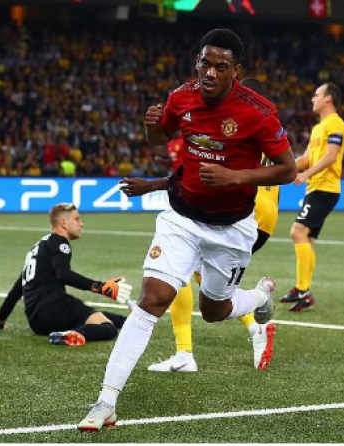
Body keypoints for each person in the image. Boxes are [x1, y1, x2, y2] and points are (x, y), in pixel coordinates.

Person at [77, 29, 296, 432]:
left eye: (220, 67)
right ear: (197, 62)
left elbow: (288, 169)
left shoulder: (258, 111)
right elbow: (161, 139)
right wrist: (152, 126)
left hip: (232, 228)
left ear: (235, 71)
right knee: (152, 300)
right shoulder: (181, 97)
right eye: (204, 63)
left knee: (214, 311)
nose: (210, 73)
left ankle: (260, 296)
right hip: (181, 218)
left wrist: (234, 177)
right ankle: (106, 401)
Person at [120, 78, 279, 373]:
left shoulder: (237, 123)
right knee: (201, 277)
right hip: (265, 218)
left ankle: (185, 353)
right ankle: (252, 322)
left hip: (237, 215)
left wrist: (151, 185)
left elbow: (197, 178)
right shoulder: (269, 126)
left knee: (178, 269)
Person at [0, 203, 133, 346]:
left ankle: (131, 321)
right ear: (64, 223)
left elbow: (17, 290)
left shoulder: (38, 248)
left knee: (96, 314)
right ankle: (73, 334)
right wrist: (101, 287)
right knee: (108, 328)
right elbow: (64, 275)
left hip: (37, 321)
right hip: (54, 308)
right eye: (77, 219)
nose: (81, 224)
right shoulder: (60, 242)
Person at [279, 83, 344, 311]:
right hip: (316, 188)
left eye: (317, 95)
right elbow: (307, 158)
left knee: (297, 231)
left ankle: (302, 289)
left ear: (328, 98)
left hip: (325, 188)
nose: (312, 99)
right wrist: (283, 168)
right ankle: (303, 291)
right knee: (306, 239)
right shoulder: (319, 128)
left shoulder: (336, 123)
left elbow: (331, 156)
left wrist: (306, 174)